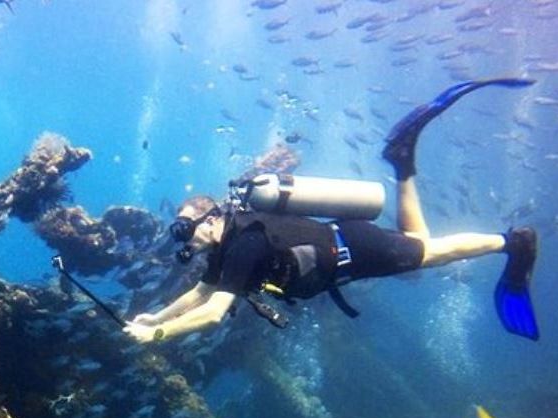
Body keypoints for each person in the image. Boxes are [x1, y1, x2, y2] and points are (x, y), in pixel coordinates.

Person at [123, 78, 540, 344]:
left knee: (432, 254)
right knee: (420, 244)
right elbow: (201, 293)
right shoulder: (226, 247)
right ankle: (402, 161)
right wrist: (154, 315)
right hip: (348, 245)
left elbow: (213, 315)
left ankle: (512, 242)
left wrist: (157, 334)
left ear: (212, 220)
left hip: (356, 249)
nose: (186, 238)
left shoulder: (244, 242)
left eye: (186, 228)